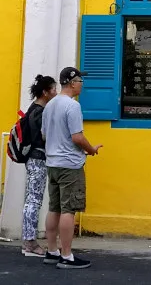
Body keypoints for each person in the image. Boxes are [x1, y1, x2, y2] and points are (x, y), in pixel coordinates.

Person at [41, 67, 103, 269]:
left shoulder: (50, 105)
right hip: (69, 165)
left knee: (54, 207)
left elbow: (44, 134)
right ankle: (66, 256)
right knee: (69, 210)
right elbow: (77, 137)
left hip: (52, 163)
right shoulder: (72, 106)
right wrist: (91, 149)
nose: (82, 84)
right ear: (72, 82)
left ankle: (52, 251)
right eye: (80, 81)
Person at [21, 75, 57, 257]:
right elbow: (42, 137)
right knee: (33, 201)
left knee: (32, 199)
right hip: (37, 159)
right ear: (45, 92)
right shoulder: (39, 112)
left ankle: (29, 240)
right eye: (53, 89)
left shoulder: (33, 109)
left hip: (34, 159)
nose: (56, 93)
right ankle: (30, 243)